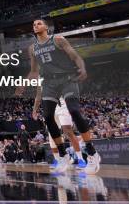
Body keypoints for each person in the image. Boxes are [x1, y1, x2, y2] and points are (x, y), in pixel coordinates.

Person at [20, 18, 101, 174]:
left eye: (39, 23)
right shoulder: (32, 48)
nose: (36, 25)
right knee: (48, 116)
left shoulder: (58, 40)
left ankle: (91, 152)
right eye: (34, 24)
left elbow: (75, 56)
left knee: (74, 111)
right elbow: (34, 70)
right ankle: (63, 155)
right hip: (49, 84)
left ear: (46, 27)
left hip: (67, 79)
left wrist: (82, 68)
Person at [33, 92, 87, 169]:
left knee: (68, 131)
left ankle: (80, 159)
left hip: (62, 105)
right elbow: (38, 96)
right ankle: (58, 159)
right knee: (51, 134)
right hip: (49, 107)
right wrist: (34, 110)